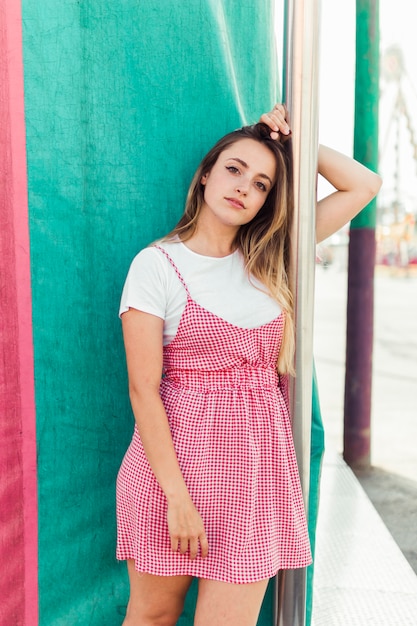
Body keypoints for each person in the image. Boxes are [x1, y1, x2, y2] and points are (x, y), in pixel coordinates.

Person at [116, 103, 382, 626]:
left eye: (262, 183)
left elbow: (363, 186)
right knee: (153, 616)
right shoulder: (157, 265)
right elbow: (143, 389)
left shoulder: (272, 256)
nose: (244, 187)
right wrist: (178, 499)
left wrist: (294, 141)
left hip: (255, 472)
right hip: (173, 472)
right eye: (235, 169)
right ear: (206, 175)